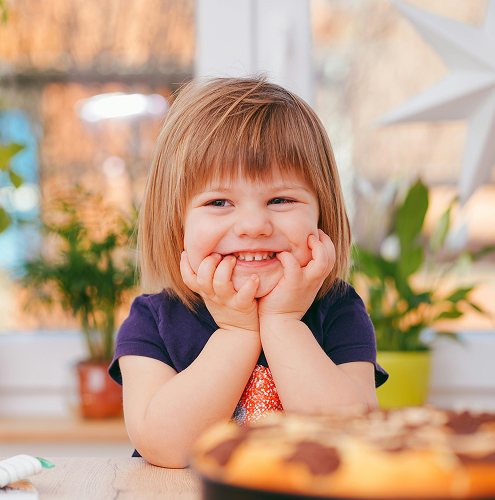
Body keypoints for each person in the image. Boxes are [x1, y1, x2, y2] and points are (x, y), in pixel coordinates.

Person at [108, 77, 388, 469]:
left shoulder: (339, 310)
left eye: (281, 199)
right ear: (176, 223)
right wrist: (237, 332)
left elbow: (352, 442)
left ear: (322, 214)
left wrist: (283, 324)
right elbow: (165, 448)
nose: (254, 225)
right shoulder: (152, 320)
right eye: (219, 201)